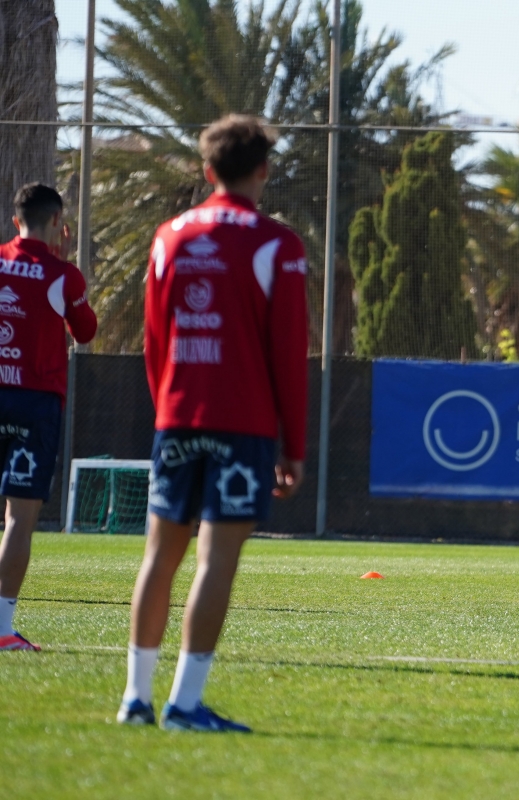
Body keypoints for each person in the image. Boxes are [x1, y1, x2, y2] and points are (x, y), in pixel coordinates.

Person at [117, 116, 308, 731]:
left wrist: (167, 408)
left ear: (206, 170)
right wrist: (293, 444)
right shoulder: (277, 244)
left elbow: (154, 341)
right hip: (242, 425)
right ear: (264, 170)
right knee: (214, 559)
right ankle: (185, 704)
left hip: (176, 418)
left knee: (159, 556)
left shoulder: (168, 235)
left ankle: (135, 699)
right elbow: (288, 354)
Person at [0, 184, 97, 651]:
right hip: (35, 402)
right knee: (19, 518)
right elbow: (87, 332)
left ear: (16, 219)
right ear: (58, 221)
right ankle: (2, 628)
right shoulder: (62, 274)